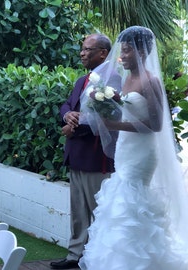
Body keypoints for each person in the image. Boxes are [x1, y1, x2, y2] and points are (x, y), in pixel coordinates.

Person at [78, 26, 188, 270]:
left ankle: (135, 263)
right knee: (120, 199)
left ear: (142, 53)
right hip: (125, 148)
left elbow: (155, 125)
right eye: (122, 50)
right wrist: (111, 104)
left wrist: (115, 123)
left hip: (142, 153)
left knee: (130, 200)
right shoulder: (126, 78)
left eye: (128, 51)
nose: (123, 56)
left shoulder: (149, 81)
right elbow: (128, 108)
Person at [50, 33, 121, 270]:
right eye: (82, 49)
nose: (82, 53)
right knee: (78, 211)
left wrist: (73, 129)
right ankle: (74, 256)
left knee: (97, 211)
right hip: (76, 153)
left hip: (95, 155)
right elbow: (68, 104)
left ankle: (98, 258)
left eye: (87, 49)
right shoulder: (82, 80)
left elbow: (108, 117)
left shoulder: (113, 79)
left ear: (103, 52)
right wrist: (66, 116)